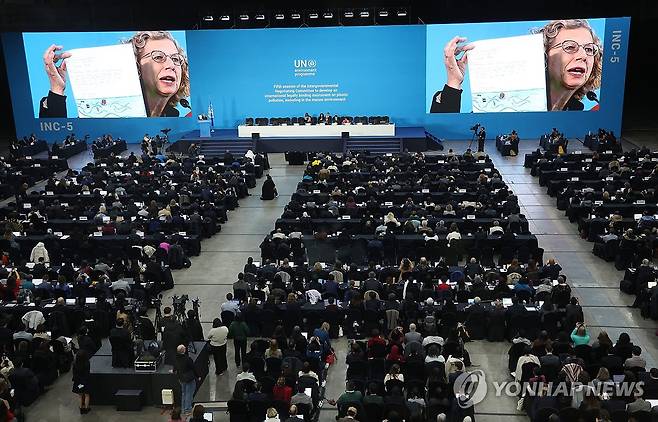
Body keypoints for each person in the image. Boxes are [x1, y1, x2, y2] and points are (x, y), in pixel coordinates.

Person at [430, 19, 602, 113]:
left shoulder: (582, 114)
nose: (582, 56)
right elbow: (444, 132)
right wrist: (453, 80)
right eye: (570, 47)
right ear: (543, 55)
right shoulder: (504, 105)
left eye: (589, 49)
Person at [39, 30, 190, 118]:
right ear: (135, 66)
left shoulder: (178, 117)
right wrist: (57, 89)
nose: (171, 65)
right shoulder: (102, 115)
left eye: (176, 59)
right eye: (158, 57)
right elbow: (56, 139)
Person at [173, 344, 200, 416]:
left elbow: (175, 369)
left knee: (184, 393)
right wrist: (198, 376)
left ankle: (183, 409)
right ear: (183, 350)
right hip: (189, 379)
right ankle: (187, 410)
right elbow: (193, 368)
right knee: (189, 394)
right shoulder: (187, 359)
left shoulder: (175, 358)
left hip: (181, 379)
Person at [72, 349, 91, 414]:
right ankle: (86, 408)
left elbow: (74, 374)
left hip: (78, 382)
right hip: (85, 382)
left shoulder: (74, 364)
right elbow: (87, 374)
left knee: (80, 395)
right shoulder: (87, 363)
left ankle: (81, 409)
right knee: (87, 395)